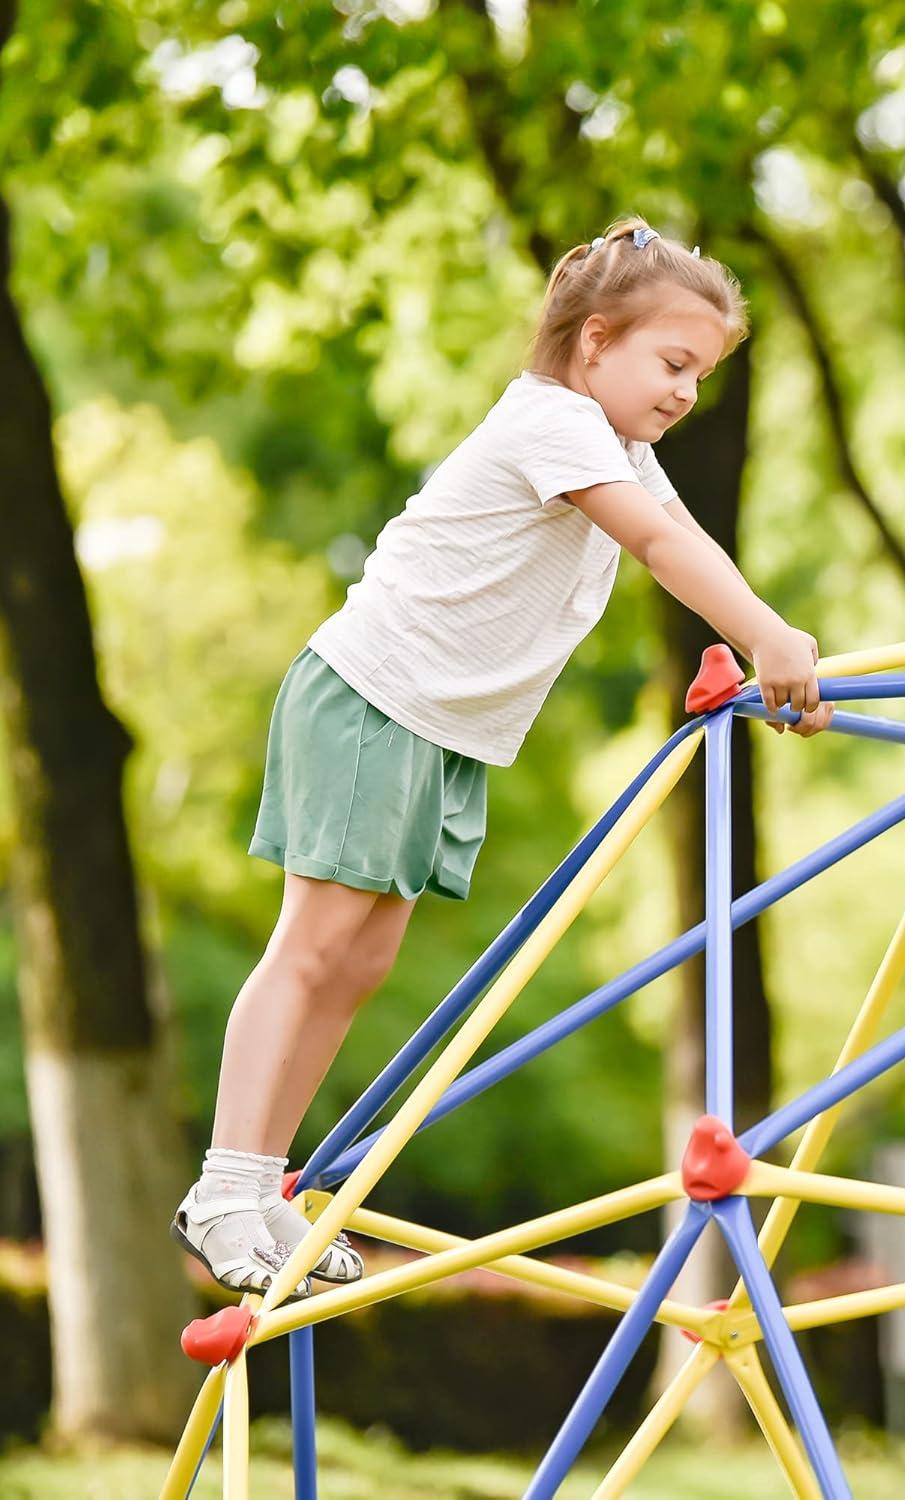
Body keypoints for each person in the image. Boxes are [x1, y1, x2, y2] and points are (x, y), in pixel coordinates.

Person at [171, 218, 834, 1297]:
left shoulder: (622, 448)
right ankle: (224, 1189)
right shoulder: (554, 423)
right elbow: (660, 546)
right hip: (372, 697)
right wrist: (766, 634)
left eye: (701, 376)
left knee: (364, 961)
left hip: (437, 727)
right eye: (673, 365)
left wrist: (772, 637)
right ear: (594, 343)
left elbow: (687, 533)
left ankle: (265, 1193)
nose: (685, 395)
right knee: (314, 945)